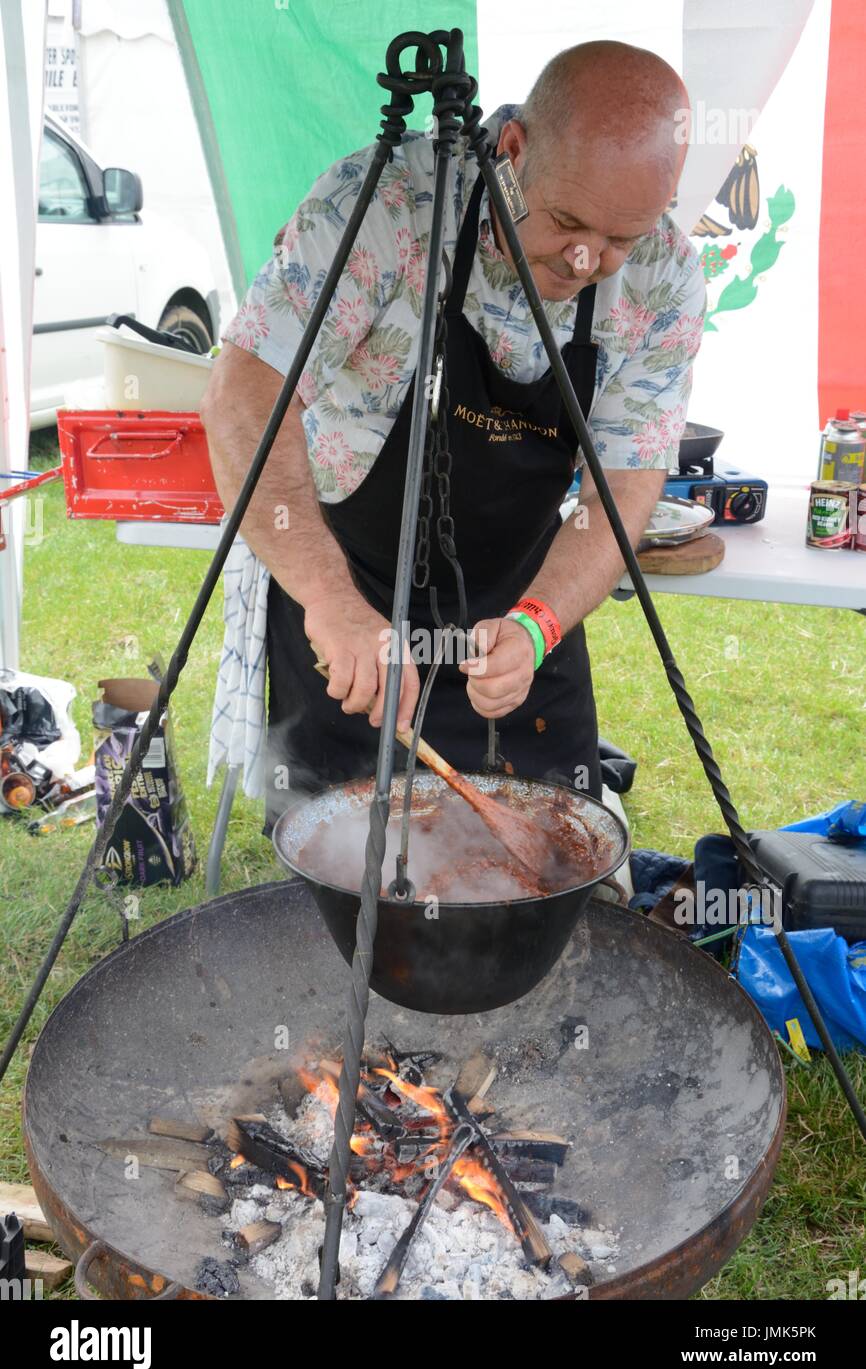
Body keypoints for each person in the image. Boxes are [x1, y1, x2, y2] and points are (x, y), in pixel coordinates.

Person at [201, 40, 706, 833]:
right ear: (513, 151)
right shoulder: (386, 209)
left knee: (544, 859)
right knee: (342, 873)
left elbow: (629, 479)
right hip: (349, 592)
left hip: (522, 604)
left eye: (621, 240)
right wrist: (331, 603)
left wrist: (538, 623)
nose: (585, 259)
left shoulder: (666, 278)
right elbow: (242, 397)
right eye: (569, 222)